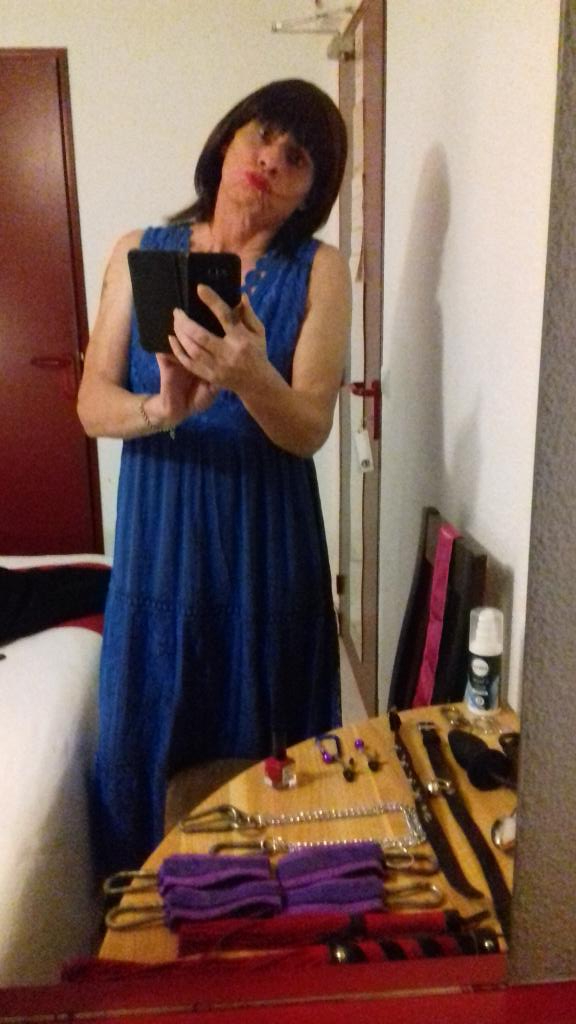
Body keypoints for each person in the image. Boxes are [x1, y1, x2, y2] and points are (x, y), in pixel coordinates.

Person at [77, 79, 351, 873]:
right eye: (261, 135)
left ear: (310, 192)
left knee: (269, 754)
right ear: (227, 140)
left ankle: (274, 913)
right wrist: (163, 409)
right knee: (145, 736)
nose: (271, 159)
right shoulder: (140, 253)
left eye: (297, 158)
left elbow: (310, 428)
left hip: (267, 547)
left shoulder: (320, 270)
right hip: (159, 544)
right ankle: (145, 913)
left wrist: (252, 378)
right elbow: (92, 405)